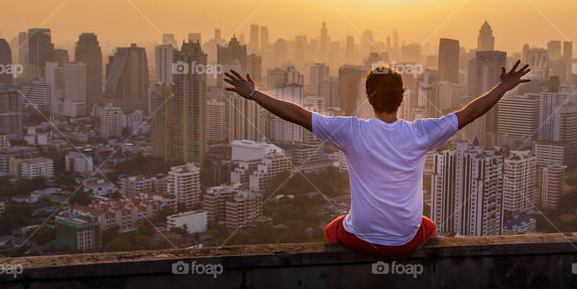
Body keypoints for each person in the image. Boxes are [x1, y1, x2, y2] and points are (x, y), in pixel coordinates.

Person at [223, 59, 530, 256]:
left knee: (332, 230)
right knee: (431, 228)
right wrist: (502, 87)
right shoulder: (420, 133)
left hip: (361, 238)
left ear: (367, 96)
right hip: (407, 243)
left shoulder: (350, 131)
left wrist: (253, 93)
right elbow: (468, 114)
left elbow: (299, 115)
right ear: (402, 97)